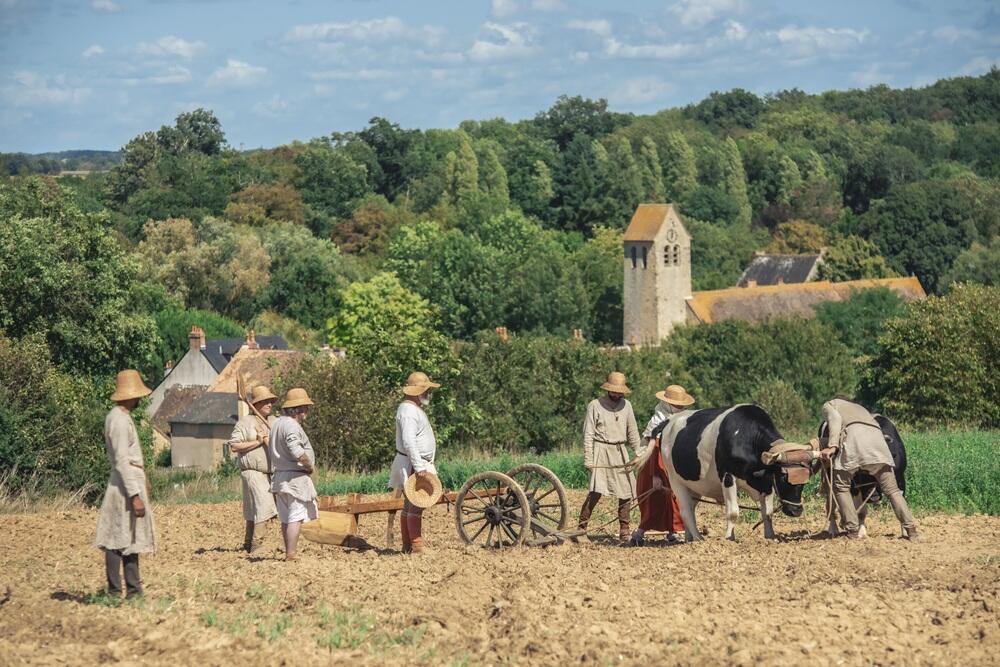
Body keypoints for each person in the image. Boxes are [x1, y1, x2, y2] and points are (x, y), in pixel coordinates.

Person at [819, 395, 921, 541]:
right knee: (892, 490)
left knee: (841, 486)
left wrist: (832, 446)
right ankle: (911, 530)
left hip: (855, 443)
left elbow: (834, 420)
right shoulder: (860, 408)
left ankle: (852, 531)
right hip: (878, 444)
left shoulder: (830, 404)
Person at [95, 370, 157, 599]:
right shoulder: (119, 420)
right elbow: (122, 460)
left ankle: (133, 590)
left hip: (128, 482)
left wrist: (143, 483)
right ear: (131, 395)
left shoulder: (120, 417)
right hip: (123, 485)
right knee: (116, 538)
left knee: (130, 538)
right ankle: (115, 592)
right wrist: (134, 494)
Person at [577, 372, 641, 543]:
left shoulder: (627, 406)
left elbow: (633, 432)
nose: (617, 394)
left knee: (626, 492)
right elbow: (588, 434)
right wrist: (588, 459)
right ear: (608, 389)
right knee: (596, 491)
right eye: (614, 391)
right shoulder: (595, 405)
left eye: (620, 392)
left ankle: (624, 530)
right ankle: (581, 529)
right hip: (601, 450)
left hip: (620, 452)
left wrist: (638, 453)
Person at [630, 384, 695, 546]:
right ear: (667, 403)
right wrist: (656, 475)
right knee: (654, 500)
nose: (679, 407)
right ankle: (640, 532)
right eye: (676, 404)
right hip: (654, 466)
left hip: (671, 465)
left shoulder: (682, 419)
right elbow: (654, 450)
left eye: (681, 405)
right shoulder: (657, 421)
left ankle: (674, 532)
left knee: (675, 499)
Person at [389, 371, 440, 554]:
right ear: (418, 391)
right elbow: (409, 442)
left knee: (409, 506)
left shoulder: (410, 409)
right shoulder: (409, 411)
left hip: (414, 462)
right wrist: (419, 467)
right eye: (426, 390)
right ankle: (416, 546)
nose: (428, 393)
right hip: (414, 464)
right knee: (416, 505)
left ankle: (407, 545)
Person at [227, 385, 279, 553]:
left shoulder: (274, 422)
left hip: (271, 473)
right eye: (265, 401)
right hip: (252, 472)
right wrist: (257, 442)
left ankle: (248, 543)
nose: (269, 404)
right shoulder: (245, 423)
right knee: (264, 505)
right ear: (255, 404)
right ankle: (257, 544)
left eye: (271, 401)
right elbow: (234, 446)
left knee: (253, 508)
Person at [269, 388, 319, 561]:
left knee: (286, 517)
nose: (307, 411)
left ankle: (289, 551)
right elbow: (295, 449)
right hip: (294, 478)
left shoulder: (277, 423)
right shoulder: (291, 425)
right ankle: (291, 553)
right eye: (305, 407)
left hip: (281, 476)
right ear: (298, 409)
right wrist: (308, 464)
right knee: (295, 517)